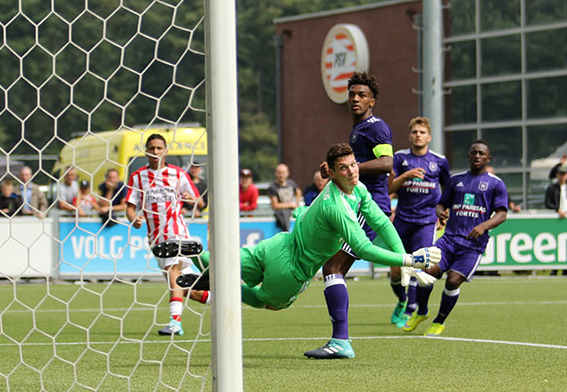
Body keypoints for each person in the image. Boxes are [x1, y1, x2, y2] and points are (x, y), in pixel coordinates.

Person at [177, 143, 440, 360]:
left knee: (228, 264)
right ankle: (215, 287)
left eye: (353, 165)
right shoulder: (337, 207)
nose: (351, 171)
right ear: (332, 174)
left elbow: (381, 222)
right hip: (291, 271)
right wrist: (409, 258)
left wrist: (402, 256)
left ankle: (196, 254)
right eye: (343, 168)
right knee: (263, 301)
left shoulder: (355, 190)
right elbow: (363, 248)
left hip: (277, 245)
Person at [317, 71, 401, 348]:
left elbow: (387, 163)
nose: (355, 99)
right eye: (352, 94)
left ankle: (341, 341)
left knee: (333, 267)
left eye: (362, 95)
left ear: (372, 101)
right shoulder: (359, 129)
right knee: (331, 265)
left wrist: (343, 169)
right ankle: (340, 340)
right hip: (358, 205)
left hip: (370, 206)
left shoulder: (375, 127)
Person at [402, 140, 508, 336]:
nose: (477, 156)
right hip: (448, 240)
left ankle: (439, 321)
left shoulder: (496, 184)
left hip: (472, 246)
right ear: (468, 156)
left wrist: (483, 226)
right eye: (473, 152)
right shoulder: (456, 180)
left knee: (452, 281)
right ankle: (422, 312)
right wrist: (441, 212)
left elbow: (502, 213)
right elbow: (441, 204)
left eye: (481, 153)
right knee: (426, 272)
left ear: (488, 158)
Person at [125, 133, 205, 336]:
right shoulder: (137, 177)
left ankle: (175, 323)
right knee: (187, 289)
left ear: (166, 150)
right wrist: (134, 219)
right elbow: (130, 207)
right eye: (151, 148)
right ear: (145, 150)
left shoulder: (178, 174)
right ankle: (224, 300)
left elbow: (200, 202)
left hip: (177, 231)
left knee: (173, 273)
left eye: (159, 148)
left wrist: (191, 198)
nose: (155, 152)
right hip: (155, 237)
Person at [388, 117, 450, 323]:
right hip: (403, 219)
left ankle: (412, 309)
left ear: (429, 137)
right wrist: (406, 176)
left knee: (420, 265)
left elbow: (447, 191)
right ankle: (402, 300)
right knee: (396, 271)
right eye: (414, 132)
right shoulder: (399, 158)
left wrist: (443, 212)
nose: (418, 135)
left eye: (422, 132)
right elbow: (389, 188)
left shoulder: (439, 161)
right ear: (409, 136)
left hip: (425, 221)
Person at [267, 163, 301, 231]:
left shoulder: (291, 183)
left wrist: (296, 202)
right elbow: (275, 205)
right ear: (276, 173)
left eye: (283, 173)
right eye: (279, 173)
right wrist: (290, 205)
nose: (281, 175)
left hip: (292, 211)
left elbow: (298, 191)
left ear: (287, 173)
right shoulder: (272, 187)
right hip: (281, 213)